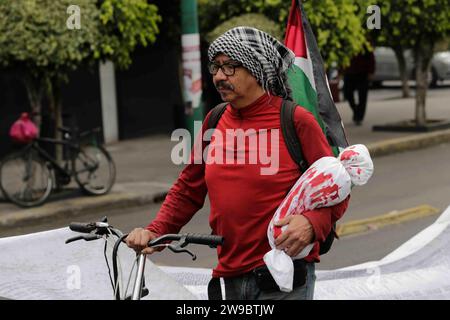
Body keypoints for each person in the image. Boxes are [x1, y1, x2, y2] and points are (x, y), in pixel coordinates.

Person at [126, 27, 349, 300]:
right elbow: (188, 189)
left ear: (256, 68)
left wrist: (313, 223)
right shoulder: (215, 120)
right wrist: (156, 231)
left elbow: (338, 186)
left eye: (230, 67)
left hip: (282, 279)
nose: (219, 76)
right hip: (228, 278)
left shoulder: (295, 120)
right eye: (216, 67)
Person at [342, 50, 376, 125]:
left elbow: (371, 57)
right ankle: (356, 110)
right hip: (349, 72)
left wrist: (371, 71)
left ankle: (359, 117)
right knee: (347, 93)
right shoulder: (346, 42)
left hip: (362, 73)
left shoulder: (364, 42)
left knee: (362, 96)